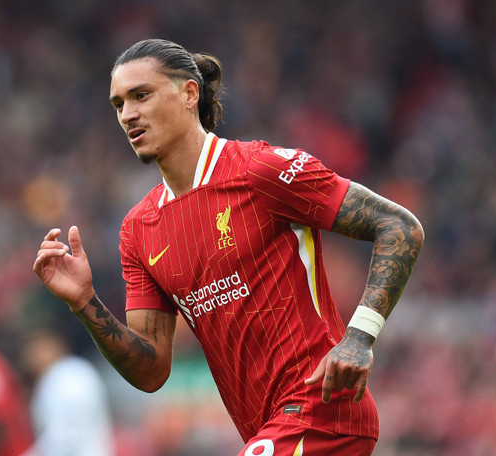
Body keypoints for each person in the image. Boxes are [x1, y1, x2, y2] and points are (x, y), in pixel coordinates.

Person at [33, 38, 425, 455]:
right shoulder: (139, 229)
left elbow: (397, 225)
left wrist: (359, 337)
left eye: (141, 95)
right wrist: (85, 302)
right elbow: (150, 370)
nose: (128, 114)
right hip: (268, 429)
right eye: (118, 104)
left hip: (324, 411)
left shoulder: (261, 171)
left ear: (189, 93)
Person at [20, 328, 115, 456]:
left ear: (54, 345)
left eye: (36, 349)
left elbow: (65, 439)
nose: (31, 358)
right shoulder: (80, 369)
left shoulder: (61, 376)